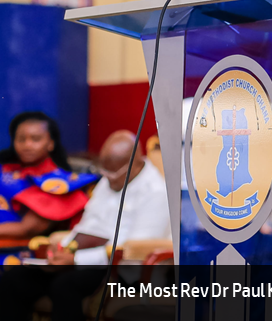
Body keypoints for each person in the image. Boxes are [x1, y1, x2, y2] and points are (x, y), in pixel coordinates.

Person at [0, 130, 171, 321]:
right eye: (104, 171)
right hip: (79, 256)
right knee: (15, 278)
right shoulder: (108, 180)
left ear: (134, 164)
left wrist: (75, 259)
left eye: (113, 173)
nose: (108, 178)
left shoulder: (157, 192)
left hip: (115, 267)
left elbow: (132, 250)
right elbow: (86, 224)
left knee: (65, 286)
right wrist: (62, 249)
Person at [0, 111, 94, 239]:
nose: (27, 145)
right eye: (21, 139)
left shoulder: (61, 183)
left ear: (51, 143)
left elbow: (28, 228)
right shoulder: (7, 169)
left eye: (36, 139)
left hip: (18, 251)